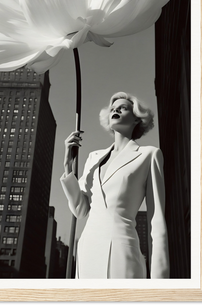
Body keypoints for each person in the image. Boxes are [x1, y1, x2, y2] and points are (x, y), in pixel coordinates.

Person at [60, 92, 169, 279]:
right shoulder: (93, 158)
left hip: (122, 253)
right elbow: (81, 211)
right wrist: (68, 167)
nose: (116, 110)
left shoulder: (149, 155)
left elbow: (157, 222)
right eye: (112, 109)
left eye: (123, 107)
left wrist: (160, 283)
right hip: (87, 252)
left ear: (136, 119)